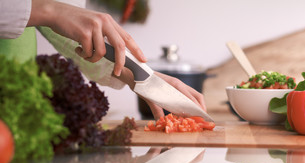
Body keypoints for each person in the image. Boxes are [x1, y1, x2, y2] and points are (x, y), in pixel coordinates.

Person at [0, 0, 207, 119]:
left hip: (19, 99)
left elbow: (64, 27)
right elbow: (51, 13)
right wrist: (48, 10)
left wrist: (136, 74)